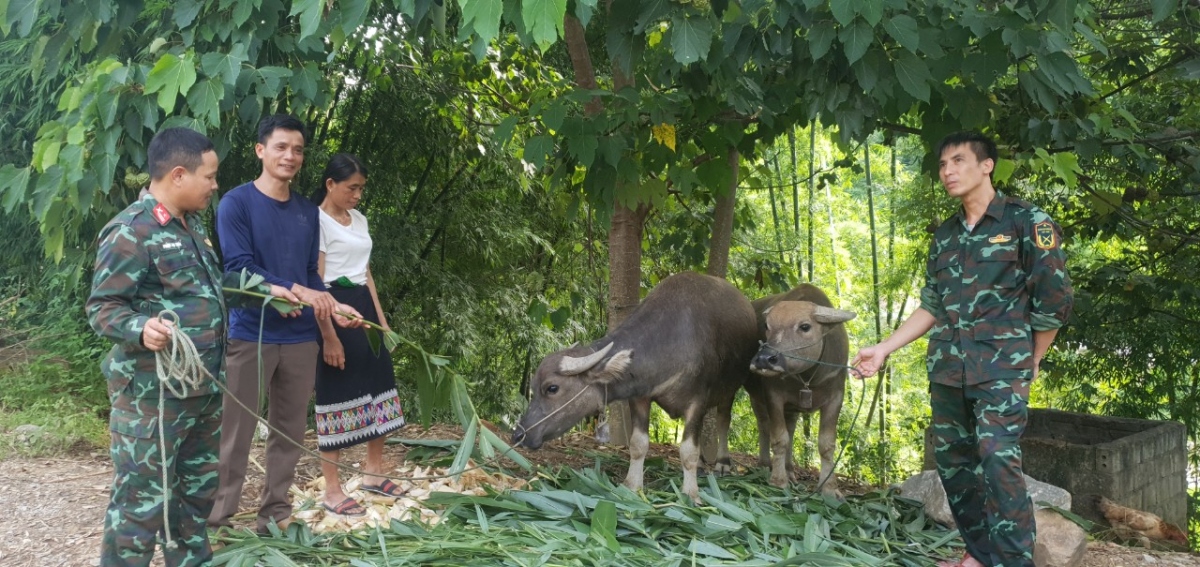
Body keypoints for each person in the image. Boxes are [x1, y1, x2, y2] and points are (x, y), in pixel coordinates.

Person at [851, 131, 1072, 567]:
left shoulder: (1027, 222)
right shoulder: (947, 236)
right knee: (954, 466)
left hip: (1002, 371)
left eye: (957, 161)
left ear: (986, 165)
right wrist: (883, 349)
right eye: (942, 165)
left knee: (996, 459)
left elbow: (1055, 302)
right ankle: (980, 552)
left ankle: (1011, 561)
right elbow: (932, 304)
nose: (947, 171)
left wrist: (1032, 361)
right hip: (949, 371)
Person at [87, 127, 300, 565]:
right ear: (179, 174)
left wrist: (264, 290)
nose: (215, 184)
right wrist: (140, 327)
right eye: (210, 176)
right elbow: (103, 307)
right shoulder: (131, 231)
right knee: (140, 507)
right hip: (153, 402)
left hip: (202, 394)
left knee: (194, 500)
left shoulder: (190, 226)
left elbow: (205, 290)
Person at [208, 115, 361, 534]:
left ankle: (274, 518)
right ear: (260, 150)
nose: (289, 156)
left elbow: (312, 275)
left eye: (297, 149)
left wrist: (331, 306)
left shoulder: (306, 213)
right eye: (280, 147)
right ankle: (217, 523)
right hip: (251, 334)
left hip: (299, 339)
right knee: (235, 436)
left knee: (289, 434)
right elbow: (237, 270)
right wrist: (293, 290)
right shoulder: (236, 203)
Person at [311, 154, 407, 516]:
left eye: (361, 189)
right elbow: (316, 282)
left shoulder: (360, 220)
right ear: (330, 184)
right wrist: (329, 334)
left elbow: (366, 274)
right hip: (334, 307)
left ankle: (372, 472)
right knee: (338, 392)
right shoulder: (316, 222)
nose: (357, 195)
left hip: (364, 307)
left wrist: (383, 324)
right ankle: (332, 489)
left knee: (379, 386)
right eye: (351, 188)